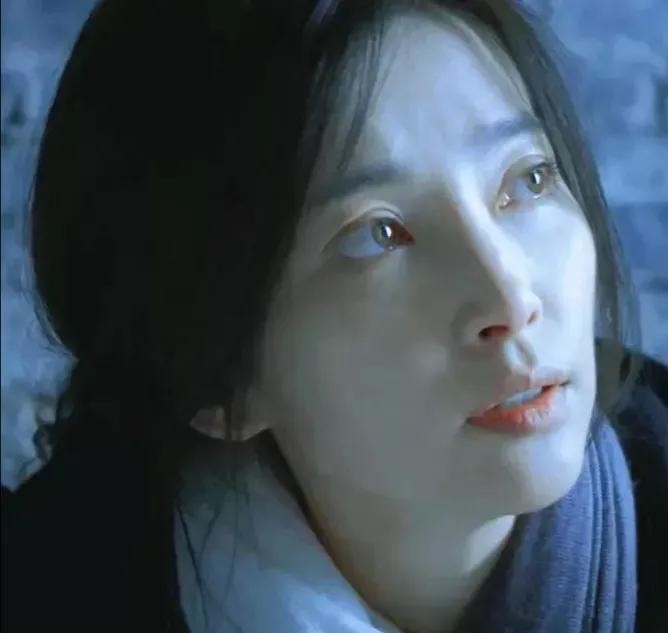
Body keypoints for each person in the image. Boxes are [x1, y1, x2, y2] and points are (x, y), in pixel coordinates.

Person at [2, 1, 667, 632]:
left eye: (528, 180)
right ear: (220, 378)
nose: (511, 298)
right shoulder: (50, 588)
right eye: (378, 234)